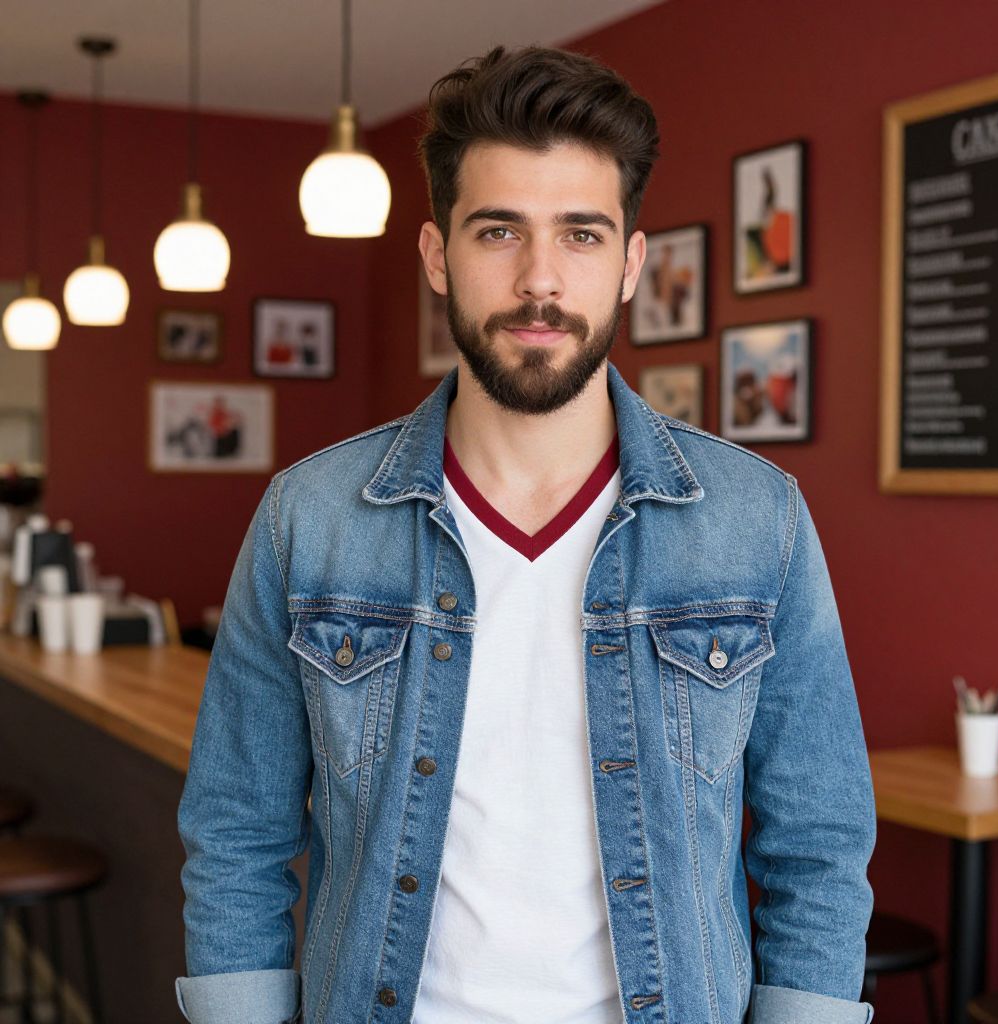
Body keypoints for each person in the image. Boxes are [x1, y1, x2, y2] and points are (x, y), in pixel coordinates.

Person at [175, 45, 876, 1024]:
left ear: (632, 262)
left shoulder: (757, 520)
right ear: (436, 254)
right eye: (498, 230)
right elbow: (236, 833)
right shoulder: (311, 516)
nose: (540, 280)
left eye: (581, 235)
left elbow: (818, 846)